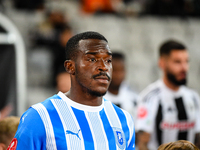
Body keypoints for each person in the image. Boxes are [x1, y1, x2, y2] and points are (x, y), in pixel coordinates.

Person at [7, 31, 135, 150]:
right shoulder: (39, 116)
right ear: (70, 67)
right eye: (92, 59)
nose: (103, 67)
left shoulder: (124, 119)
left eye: (108, 60)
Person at [136, 40, 200, 150]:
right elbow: (142, 142)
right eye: (177, 62)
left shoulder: (193, 97)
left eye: (186, 61)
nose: (184, 68)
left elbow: (198, 138)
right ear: (162, 63)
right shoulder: (149, 97)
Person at [104, 52, 138, 121]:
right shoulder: (98, 100)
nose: (118, 75)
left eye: (121, 70)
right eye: (114, 71)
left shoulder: (133, 98)